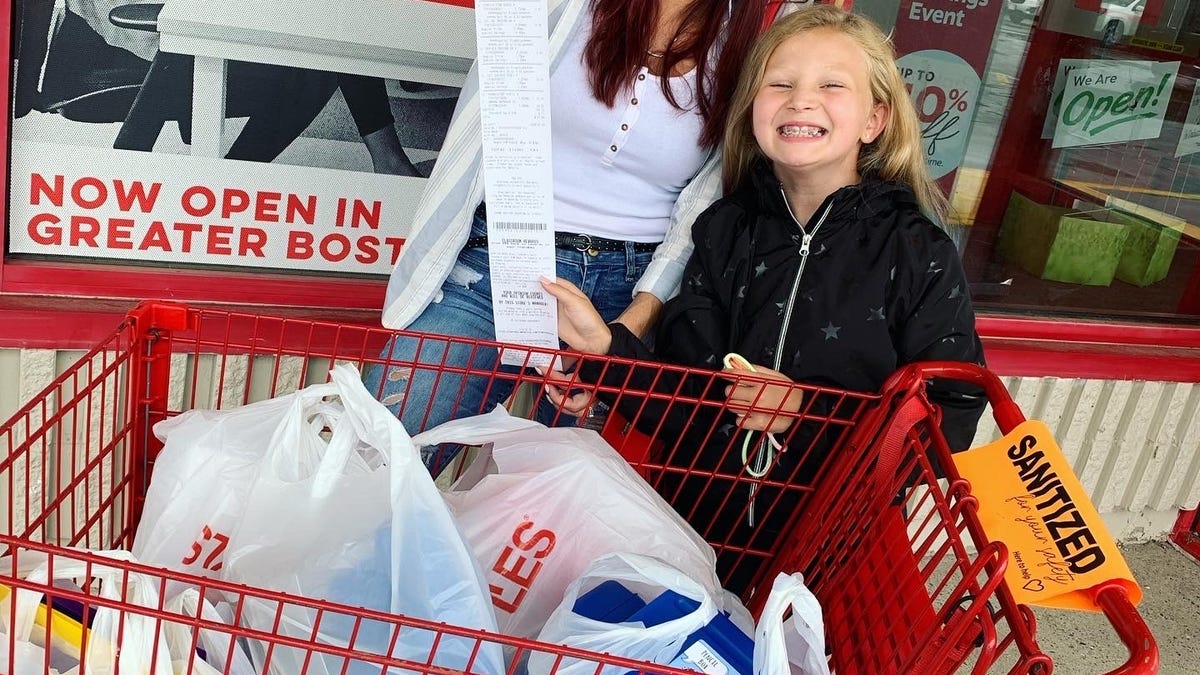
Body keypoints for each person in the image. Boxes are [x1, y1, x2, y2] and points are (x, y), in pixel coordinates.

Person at [540, 4, 987, 593]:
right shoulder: (723, 232)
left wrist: (806, 412)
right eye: (780, 83)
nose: (802, 100)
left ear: (875, 119)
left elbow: (949, 417)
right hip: (694, 540)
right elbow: (680, 404)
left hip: (832, 557)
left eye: (832, 85)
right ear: (753, 108)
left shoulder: (917, 250)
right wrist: (603, 348)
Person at [368, 0, 769, 474]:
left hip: (630, 292)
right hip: (495, 264)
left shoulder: (751, 35)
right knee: (379, 464)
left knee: (546, 521)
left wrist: (624, 335)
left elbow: (699, 210)